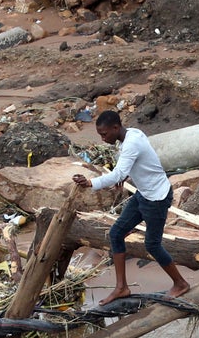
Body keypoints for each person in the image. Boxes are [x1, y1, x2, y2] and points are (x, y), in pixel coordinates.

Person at [72, 110, 190, 305]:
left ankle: (180, 283)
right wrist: (128, 174)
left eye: (104, 134)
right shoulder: (131, 134)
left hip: (156, 198)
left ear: (116, 128)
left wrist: (91, 182)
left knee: (152, 244)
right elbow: (140, 163)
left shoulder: (131, 143)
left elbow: (118, 173)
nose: (103, 139)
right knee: (116, 233)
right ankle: (121, 288)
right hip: (144, 194)